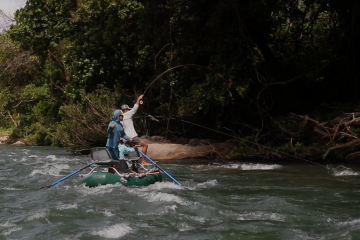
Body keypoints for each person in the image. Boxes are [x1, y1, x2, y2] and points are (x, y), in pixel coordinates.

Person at [121, 94, 150, 165]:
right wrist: (139, 99)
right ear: (126, 110)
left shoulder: (120, 118)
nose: (128, 110)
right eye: (128, 109)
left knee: (133, 148)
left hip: (126, 138)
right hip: (132, 137)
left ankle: (133, 164)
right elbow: (135, 108)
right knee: (145, 145)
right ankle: (143, 161)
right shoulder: (127, 114)